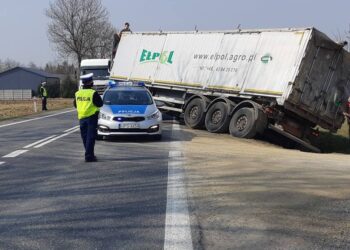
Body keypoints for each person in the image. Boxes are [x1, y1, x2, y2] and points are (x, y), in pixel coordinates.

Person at [74, 73, 103, 162]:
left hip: (81, 117)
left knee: (85, 137)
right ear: (90, 83)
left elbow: (75, 104)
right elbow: (100, 104)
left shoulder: (77, 93)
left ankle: (89, 153)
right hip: (91, 118)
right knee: (91, 137)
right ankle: (89, 156)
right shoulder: (93, 93)